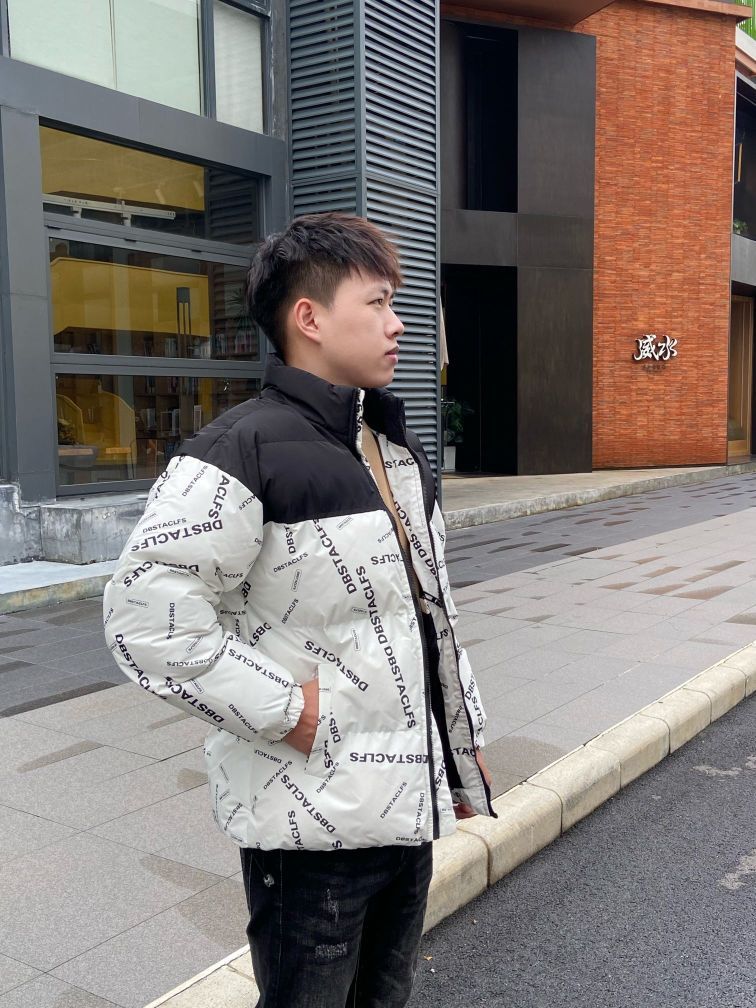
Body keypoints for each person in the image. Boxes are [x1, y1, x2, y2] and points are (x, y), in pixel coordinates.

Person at [103, 212, 493, 1008]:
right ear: (309, 318)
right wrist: (288, 709)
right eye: (378, 302)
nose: (398, 323)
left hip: (404, 813)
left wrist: (459, 746)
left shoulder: (392, 447)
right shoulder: (239, 450)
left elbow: (425, 616)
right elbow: (145, 618)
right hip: (307, 832)